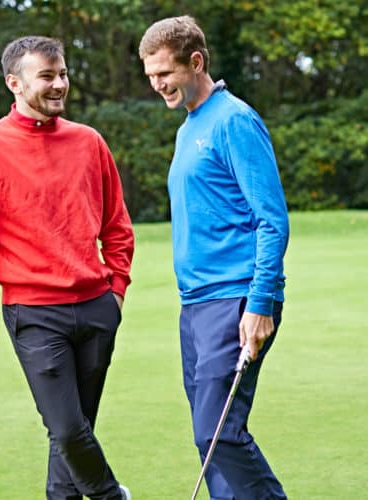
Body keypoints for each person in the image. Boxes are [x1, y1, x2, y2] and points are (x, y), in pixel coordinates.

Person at [0, 35, 134, 500]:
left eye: (62, 74)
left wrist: (117, 291)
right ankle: (112, 496)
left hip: (96, 308)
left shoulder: (89, 142)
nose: (59, 84)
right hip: (34, 314)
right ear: (15, 83)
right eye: (47, 76)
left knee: (72, 433)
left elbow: (118, 227)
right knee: (68, 430)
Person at [139, 16, 289, 499]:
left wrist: (260, 303)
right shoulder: (190, 128)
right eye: (151, 76)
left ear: (196, 62)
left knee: (217, 432)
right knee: (211, 445)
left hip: (236, 299)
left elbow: (272, 219)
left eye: (165, 73)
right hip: (197, 305)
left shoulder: (233, 120)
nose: (157, 85)